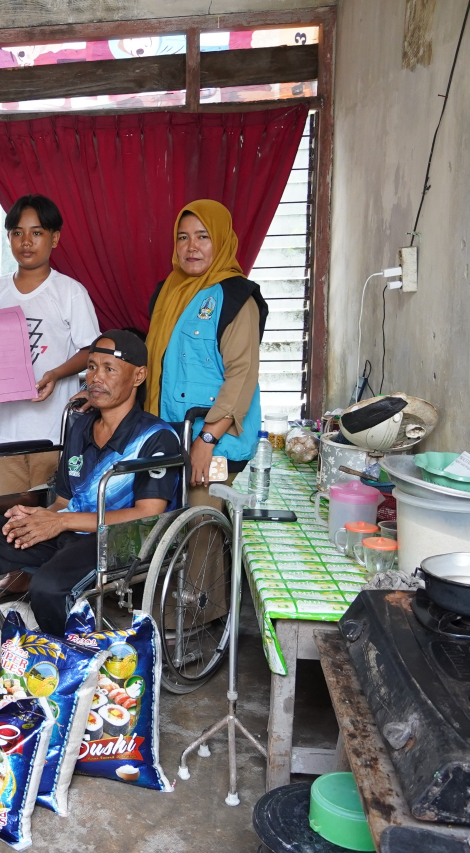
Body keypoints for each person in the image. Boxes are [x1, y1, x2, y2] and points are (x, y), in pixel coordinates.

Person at [0, 331, 182, 675]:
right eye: (91, 367)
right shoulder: (81, 427)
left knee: (49, 586)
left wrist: (59, 522)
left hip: (116, 542)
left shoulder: (157, 437)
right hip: (69, 531)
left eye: (109, 368)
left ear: (138, 376)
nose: (95, 378)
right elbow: (63, 500)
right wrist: (39, 516)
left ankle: (63, 675)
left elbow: (148, 514)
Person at [146, 200, 267, 624]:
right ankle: (173, 606)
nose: (191, 247)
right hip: (172, 434)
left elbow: (241, 376)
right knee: (168, 521)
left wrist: (207, 438)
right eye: (183, 237)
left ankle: (205, 617)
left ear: (222, 242)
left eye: (203, 237)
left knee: (202, 519)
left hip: (214, 438)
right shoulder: (168, 292)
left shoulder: (236, 297)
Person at [0, 195, 101, 497]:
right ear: (8, 237)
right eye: (17, 233)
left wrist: (56, 374)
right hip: (3, 432)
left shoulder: (70, 292)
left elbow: (91, 352)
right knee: (8, 519)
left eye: (37, 233)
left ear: (54, 238)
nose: (26, 242)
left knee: (47, 519)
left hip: (52, 434)